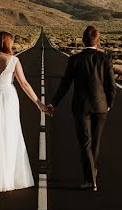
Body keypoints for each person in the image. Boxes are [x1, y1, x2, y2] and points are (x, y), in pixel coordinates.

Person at [0, 31, 49, 192]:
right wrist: (39, 104)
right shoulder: (14, 60)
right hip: (9, 98)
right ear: (9, 43)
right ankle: (7, 177)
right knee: (10, 136)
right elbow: (24, 84)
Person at [48, 25, 116, 191]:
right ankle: (92, 174)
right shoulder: (106, 59)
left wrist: (54, 103)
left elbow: (65, 84)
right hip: (100, 107)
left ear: (83, 40)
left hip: (81, 107)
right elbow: (112, 86)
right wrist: (108, 104)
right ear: (98, 41)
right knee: (95, 142)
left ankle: (90, 179)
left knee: (85, 143)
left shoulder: (75, 59)